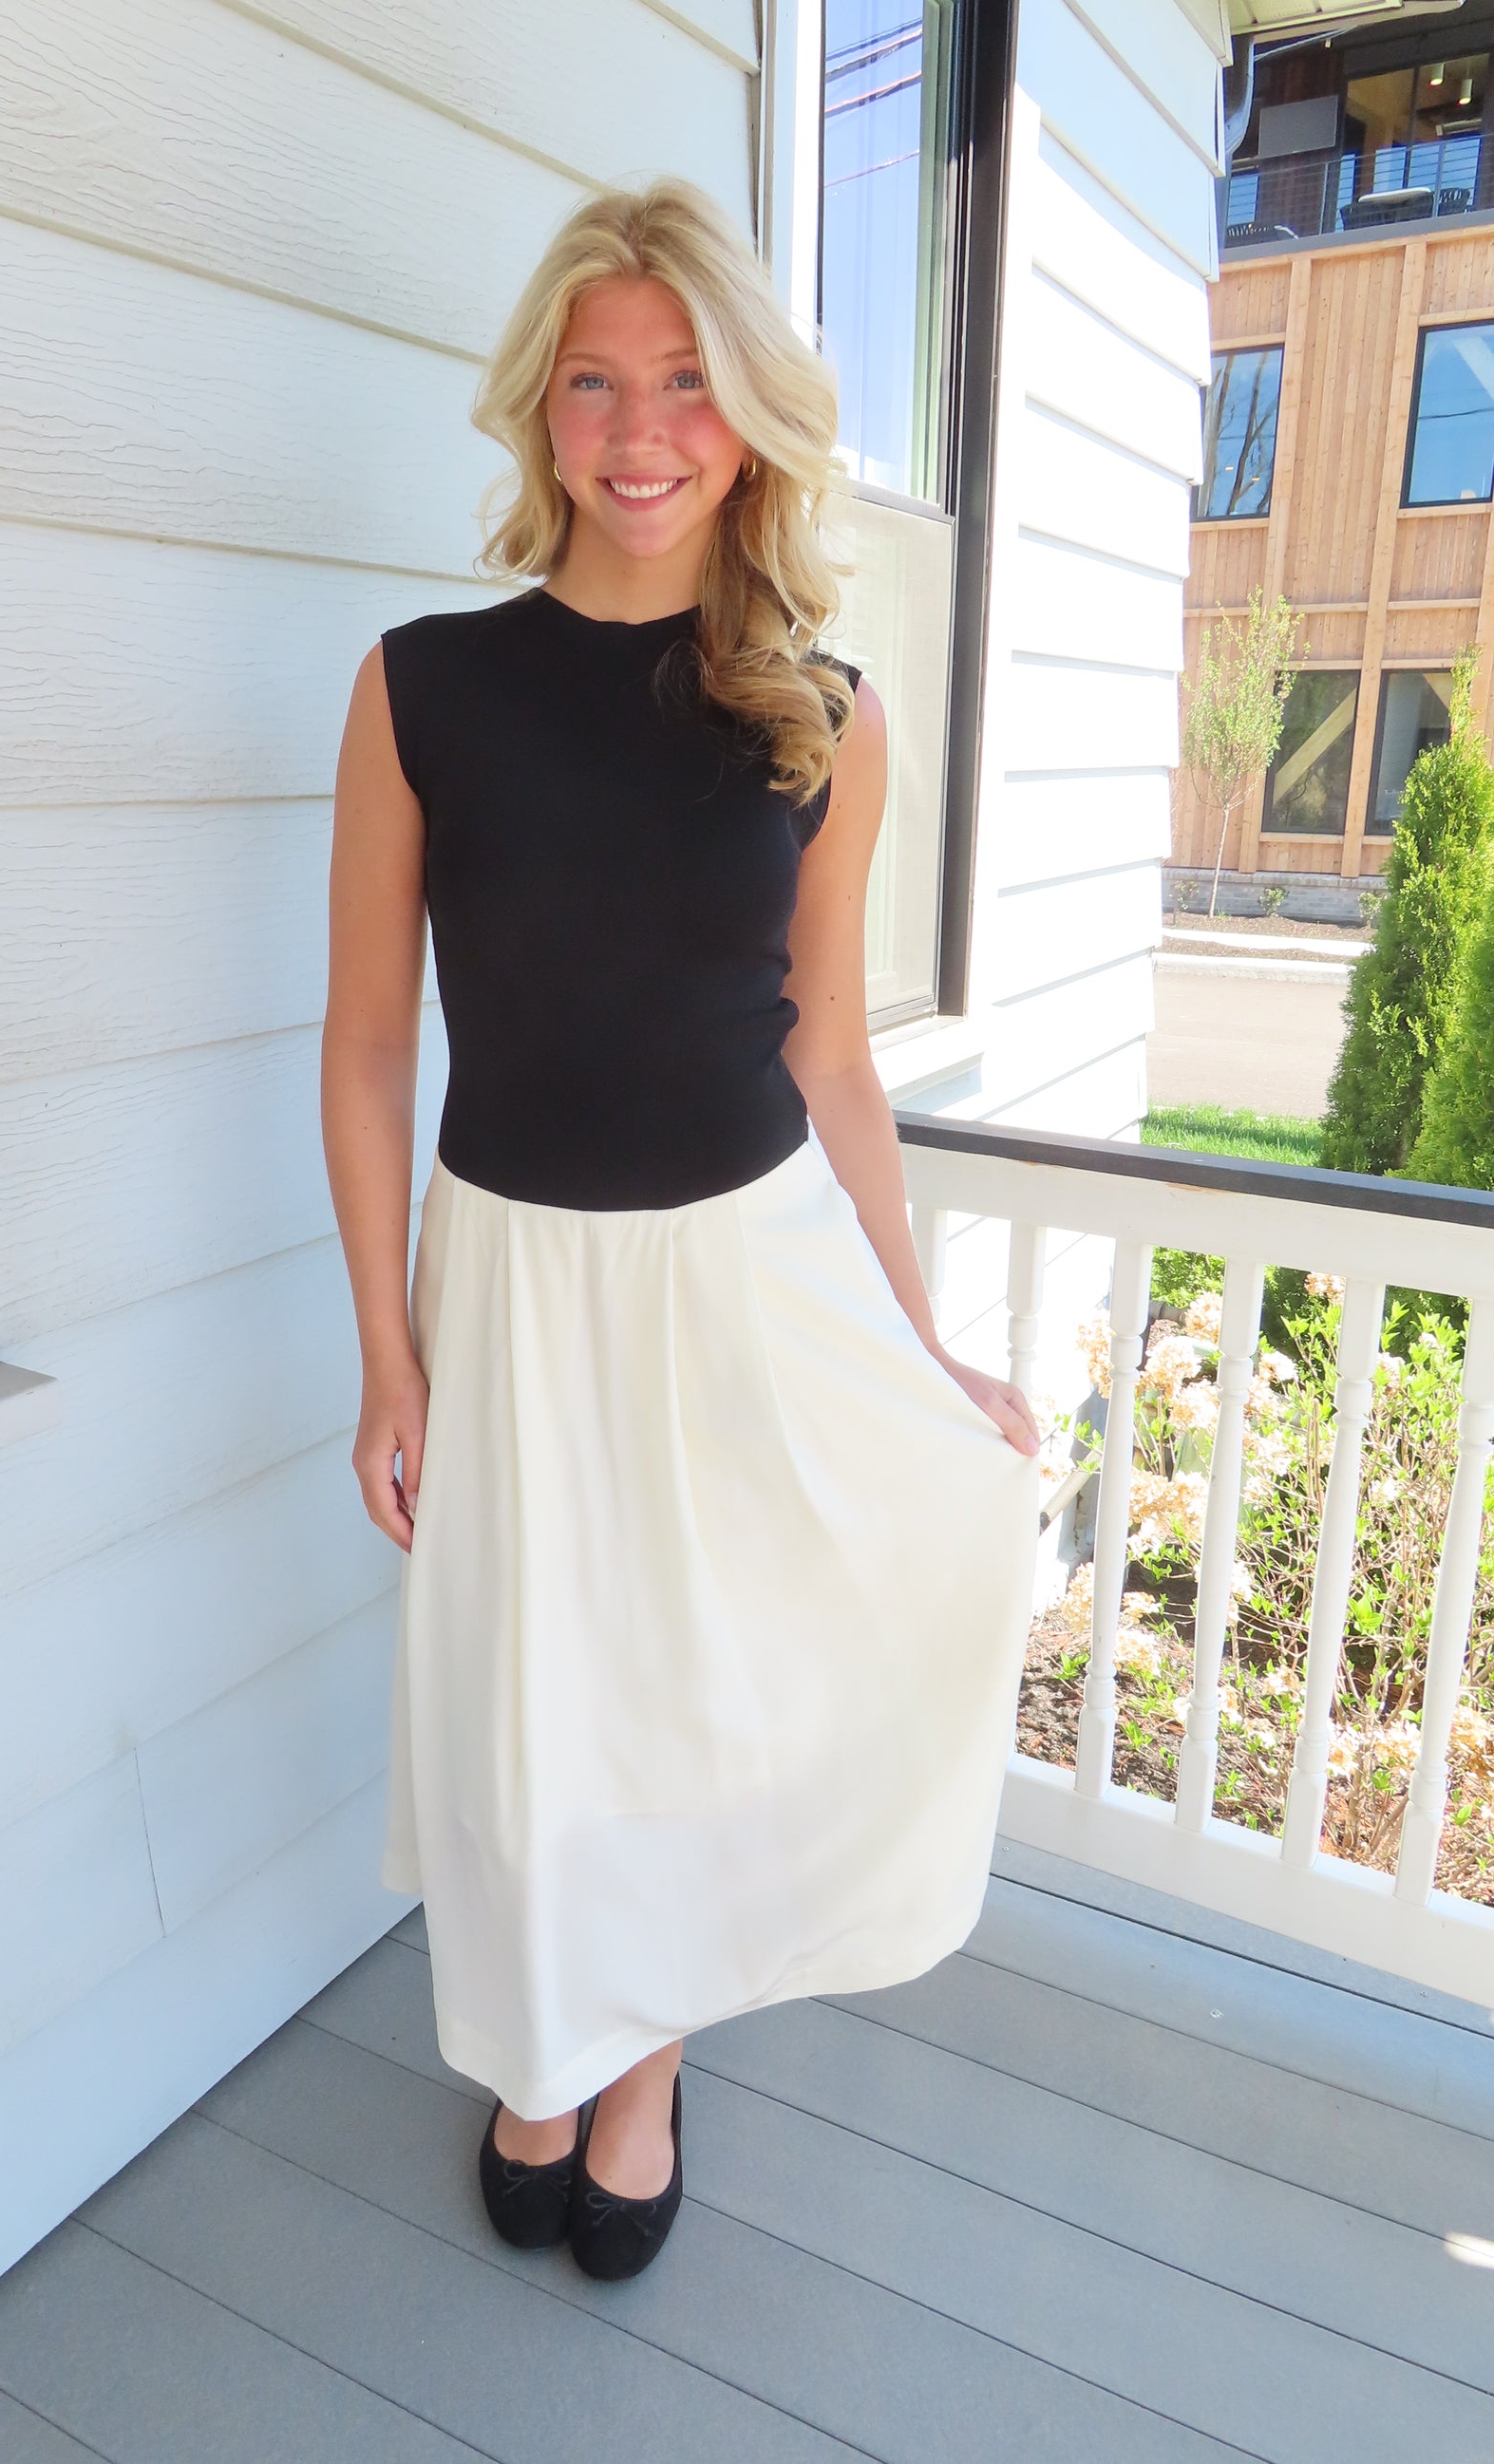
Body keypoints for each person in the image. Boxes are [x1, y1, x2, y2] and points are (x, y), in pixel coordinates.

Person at [320, 178, 1040, 2284]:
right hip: (513, 1283)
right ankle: (539, 2050)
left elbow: (833, 1059)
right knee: (535, 1707)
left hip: (747, 1273)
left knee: (701, 1703)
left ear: (751, 423)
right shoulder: (419, 688)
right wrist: (385, 1351)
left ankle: (637, 2073)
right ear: (537, 410)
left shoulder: (824, 712)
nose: (640, 433)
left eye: (688, 386)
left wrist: (914, 1341)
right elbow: (366, 1046)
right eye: (595, 385)